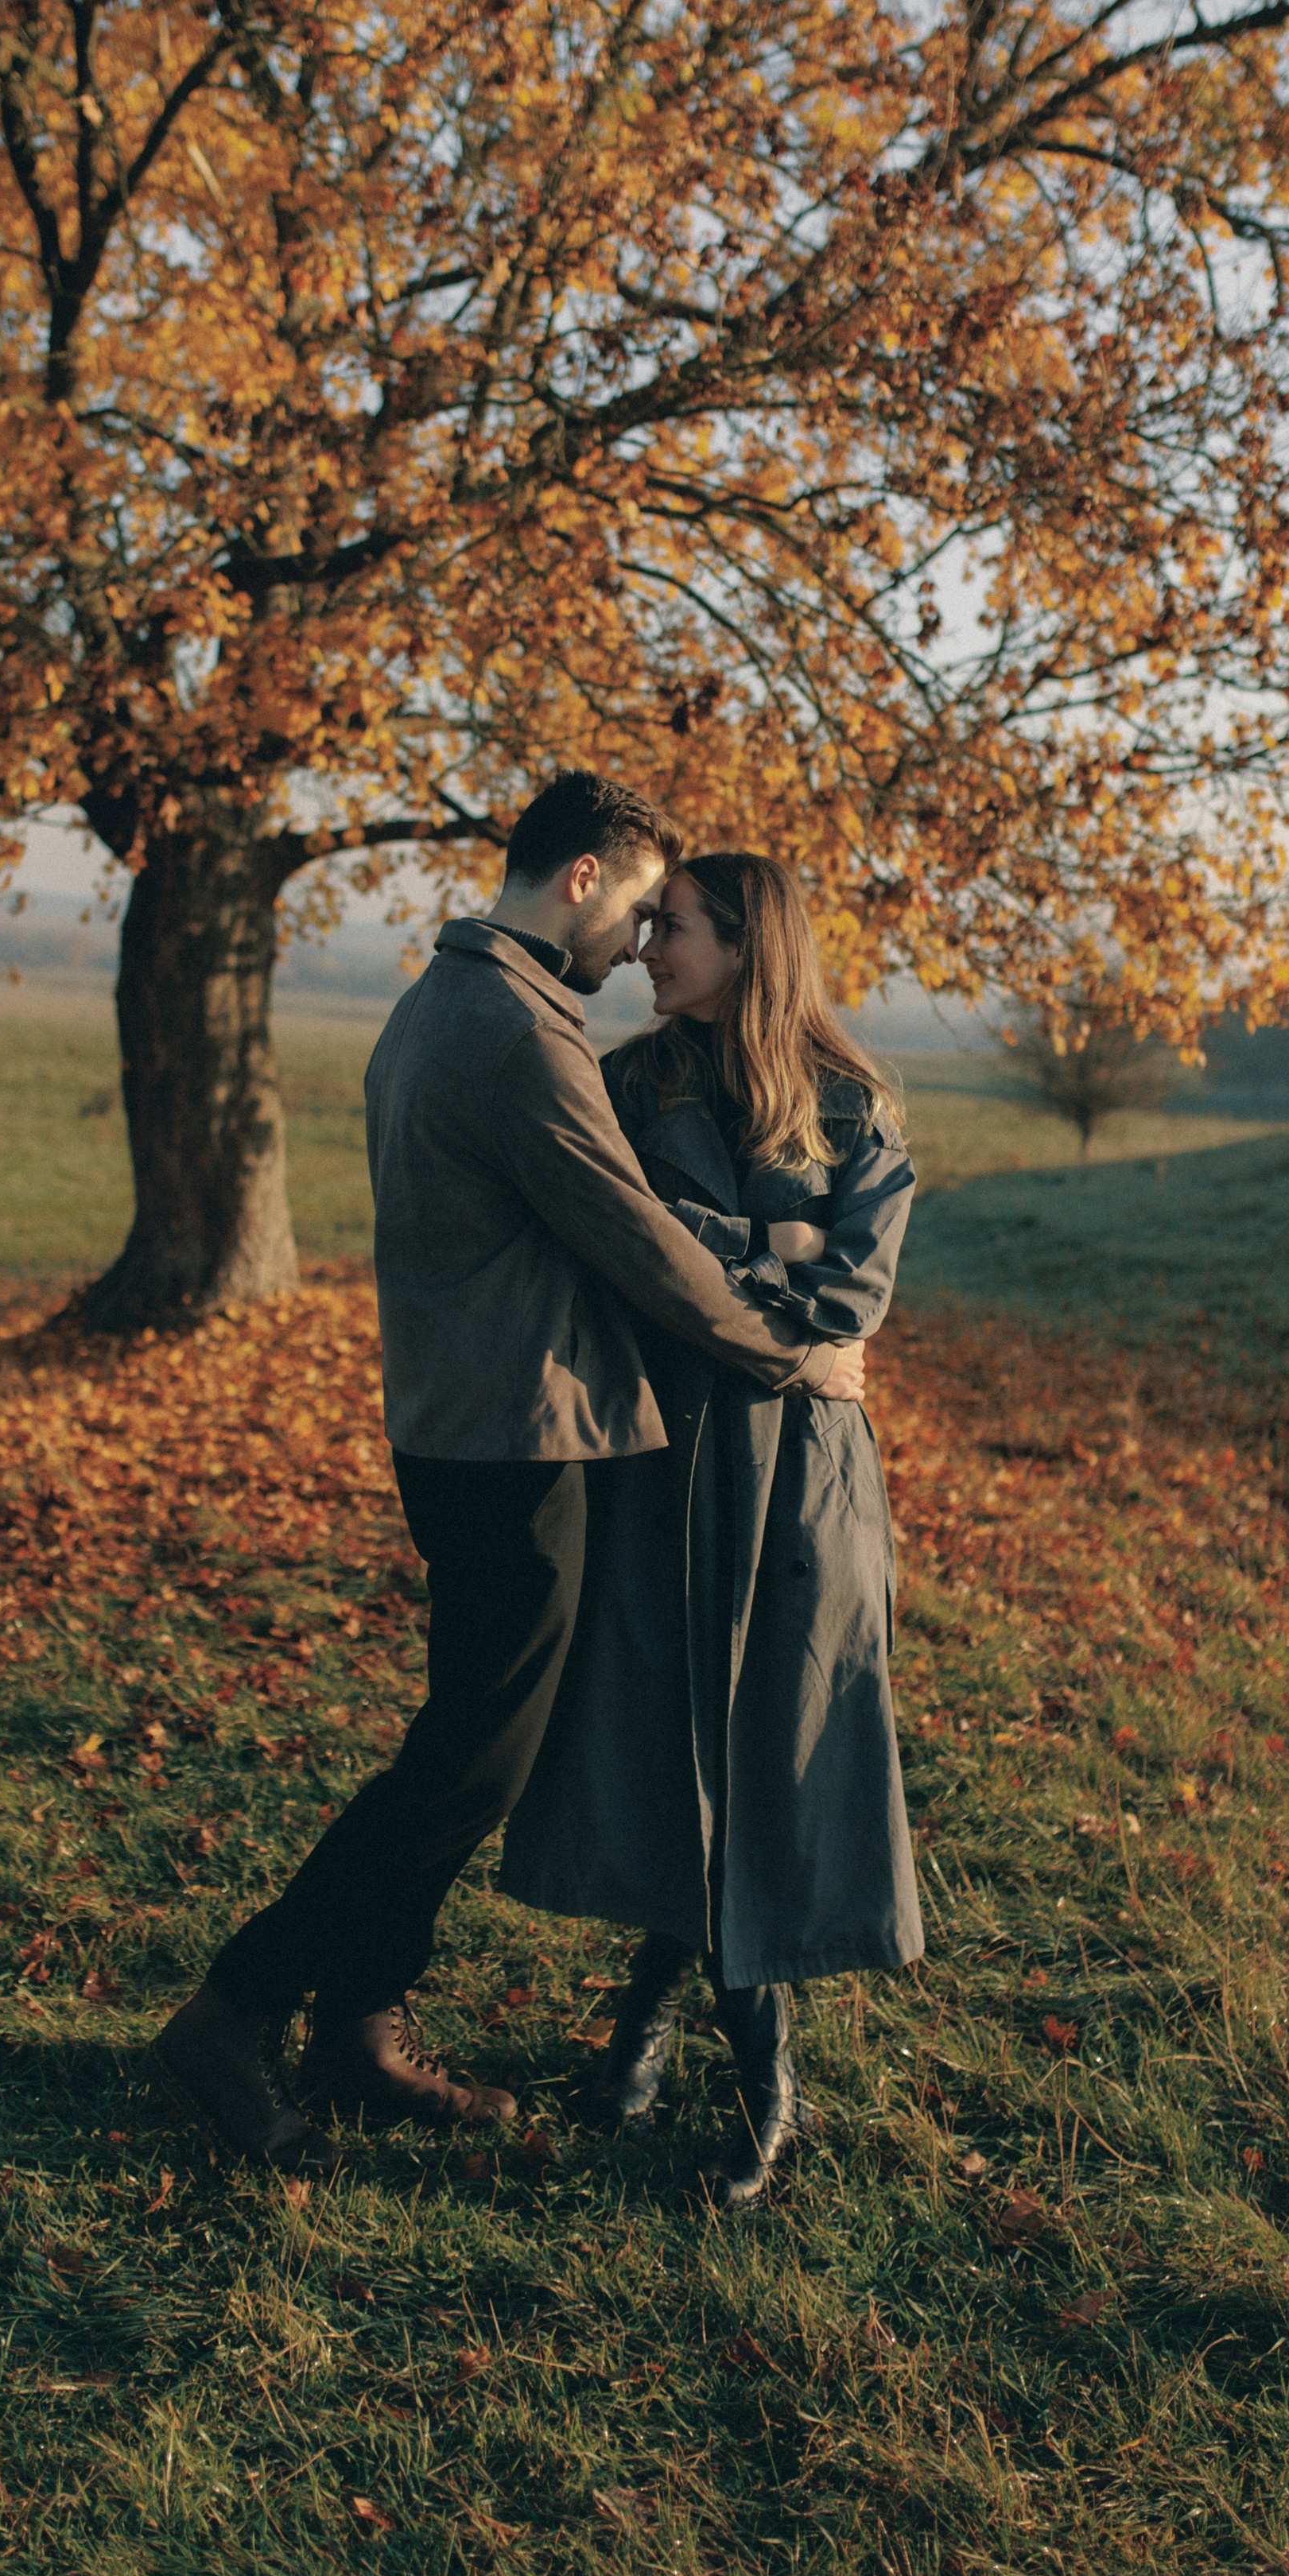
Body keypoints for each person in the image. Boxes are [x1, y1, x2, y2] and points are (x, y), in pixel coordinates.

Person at [153, 774, 872, 2174]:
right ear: (587, 879)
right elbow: (638, 1246)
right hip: (509, 1443)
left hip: (468, 1424)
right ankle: (233, 2013)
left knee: (470, 1749)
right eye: (643, 908)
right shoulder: (512, 1033)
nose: (641, 945)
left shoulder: (451, 1003)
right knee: (465, 1766)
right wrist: (789, 1355)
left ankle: (356, 2027)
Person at [499, 851, 921, 2209]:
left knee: (766, 1756)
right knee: (671, 1738)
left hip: (800, 1483)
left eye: (671, 927)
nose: (643, 948)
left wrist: (716, 1259)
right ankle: (656, 2029)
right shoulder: (625, 1088)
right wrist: (759, 1251)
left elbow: (847, 1301)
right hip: (660, 1463)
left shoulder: (855, 1106)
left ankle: (754, 2073)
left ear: (743, 944)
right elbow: (615, 1262)